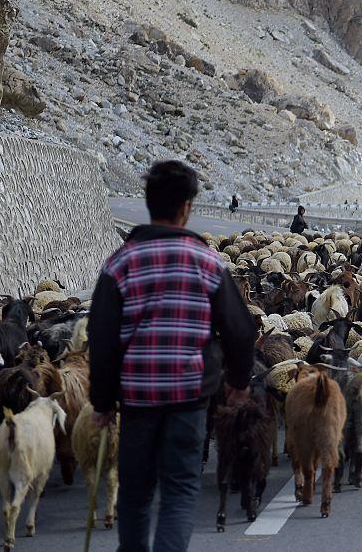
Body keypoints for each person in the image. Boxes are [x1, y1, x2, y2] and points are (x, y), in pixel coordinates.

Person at [88, 160, 256, 551]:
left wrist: (101, 401)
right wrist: (239, 382)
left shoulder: (119, 264)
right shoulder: (209, 263)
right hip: (188, 399)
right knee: (179, 493)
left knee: (135, 494)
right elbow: (240, 329)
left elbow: (102, 337)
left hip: (137, 400)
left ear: (149, 204)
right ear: (187, 207)